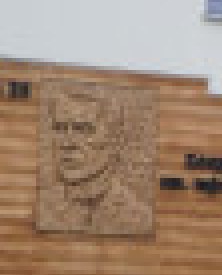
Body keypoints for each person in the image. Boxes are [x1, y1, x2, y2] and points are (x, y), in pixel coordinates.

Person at [38, 88, 153, 235]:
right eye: (60, 128)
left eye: (83, 130)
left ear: (116, 141)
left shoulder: (138, 218)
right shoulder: (44, 208)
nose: (67, 143)